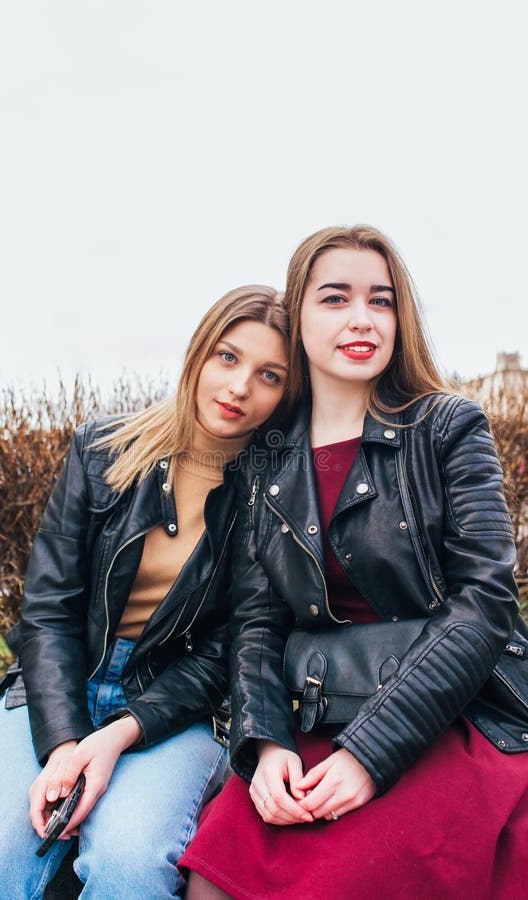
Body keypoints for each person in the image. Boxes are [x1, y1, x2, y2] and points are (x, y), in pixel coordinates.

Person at [181, 226, 528, 899]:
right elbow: (255, 622)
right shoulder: (266, 455)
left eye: (382, 300)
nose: (362, 319)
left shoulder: (449, 427)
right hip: (315, 717)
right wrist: (264, 744)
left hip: (447, 718)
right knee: (211, 880)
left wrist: (373, 753)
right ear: (299, 316)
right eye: (335, 299)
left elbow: (485, 606)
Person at [0, 284, 291, 899]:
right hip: (54, 689)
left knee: (130, 866)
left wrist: (118, 734)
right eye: (228, 358)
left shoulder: (276, 496)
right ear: (199, 355)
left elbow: (229, 650)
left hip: (173, 706)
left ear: (289, 392)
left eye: (269, 374)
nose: (240, 387)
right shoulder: (104, 451)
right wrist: (66, 744)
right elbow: (49, 611)